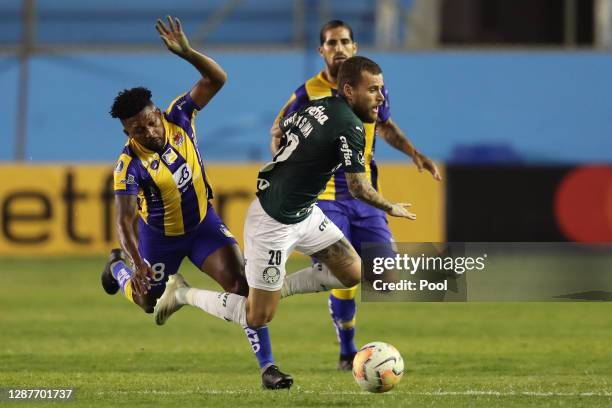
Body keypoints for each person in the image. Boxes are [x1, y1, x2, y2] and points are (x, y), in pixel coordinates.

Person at [154, 56, 416, 386]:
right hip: (272, 224)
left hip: (305, 213)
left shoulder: (317, 106)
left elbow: (280, 129)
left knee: (352, 272)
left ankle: (278, 288)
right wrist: (390, 207)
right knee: (257, 315)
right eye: (373, 90)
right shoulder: (350, 125)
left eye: (382, 89)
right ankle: (181, 294)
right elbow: (359, 187)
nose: (380, 97)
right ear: (349, 90)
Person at [100, 16, 292, 390]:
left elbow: (217, 80)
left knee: (241, 287)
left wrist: (188, 53)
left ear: (157, 113)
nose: (151, 131)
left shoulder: (180, 117)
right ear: (128, 132)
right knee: (147, 304)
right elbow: (124, 223)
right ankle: (116, 268)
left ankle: (267, 368)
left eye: (151, 121)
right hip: (158, 239)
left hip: (203, 227)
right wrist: (136, 263)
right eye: (139, 129)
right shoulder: (128, 166)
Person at [270, 20, 441, 370]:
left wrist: (413, 152)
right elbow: (278, 131)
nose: (339, 48)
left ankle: (297, 287)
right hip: (326, 197)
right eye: (331, 43)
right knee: (346, 271)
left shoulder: (372, 87)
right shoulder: (305, 94)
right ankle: (347, 348)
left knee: (386, 278)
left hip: (363, 196)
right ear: (322, 51)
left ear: (355, 46)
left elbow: (384, 124)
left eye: (345, 41)